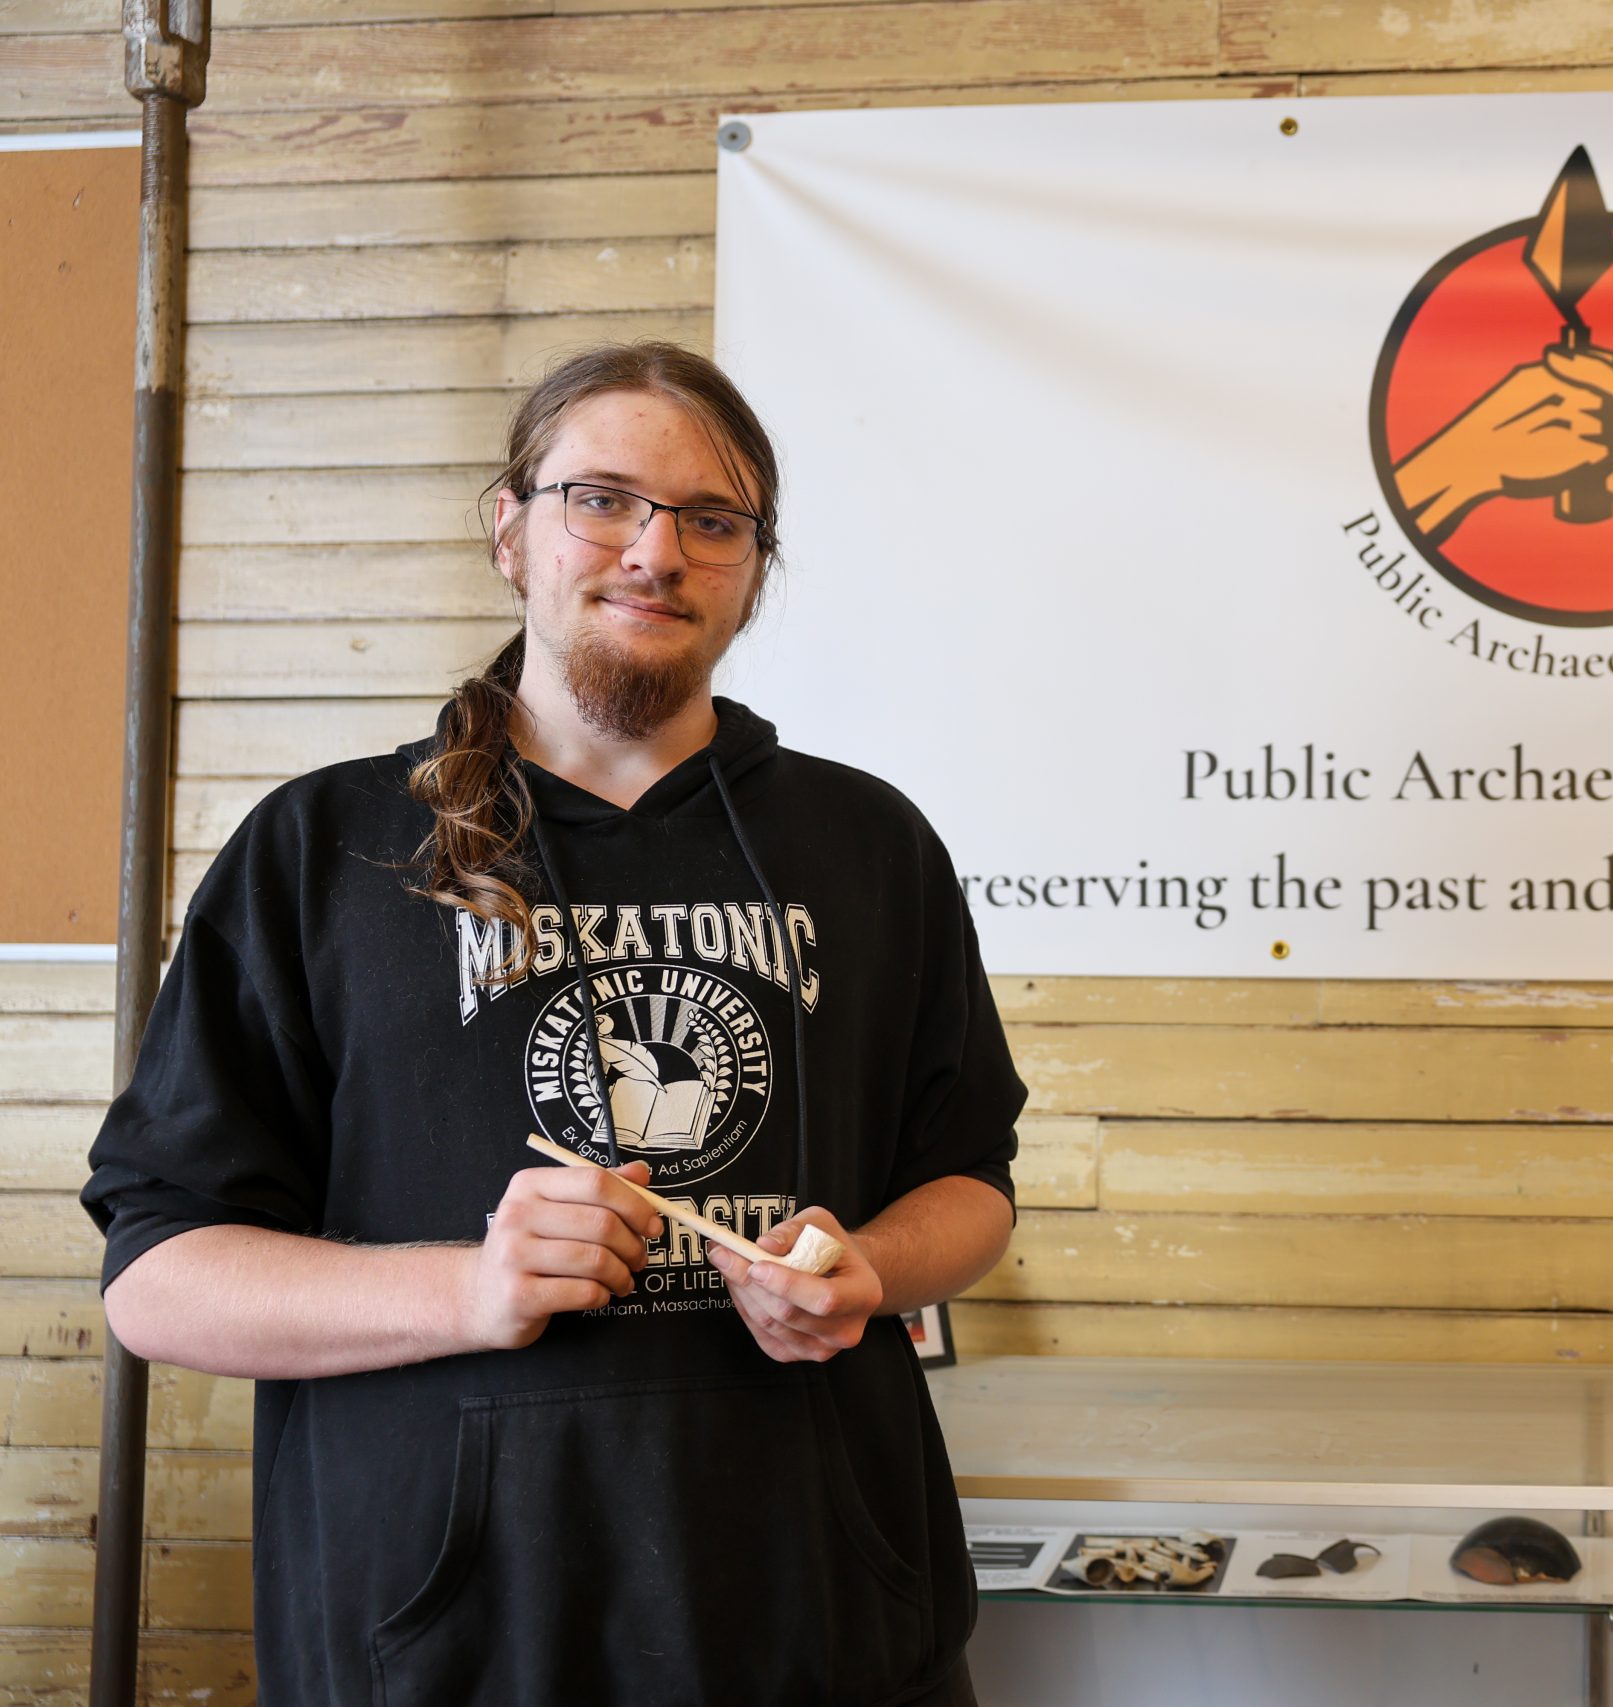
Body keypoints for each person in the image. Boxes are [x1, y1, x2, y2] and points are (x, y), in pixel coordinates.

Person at [83, 343, 1024, 1705]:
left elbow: (971, 1186)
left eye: (714, 520)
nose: (659, 550)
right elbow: (159, 1277)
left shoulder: (867, 843)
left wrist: (872, 1267)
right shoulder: (324, 849)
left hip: (823, 1632)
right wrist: (469, 1287)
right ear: (511, 528)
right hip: (439, 1651)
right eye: (604, 499)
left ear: (755, 567)